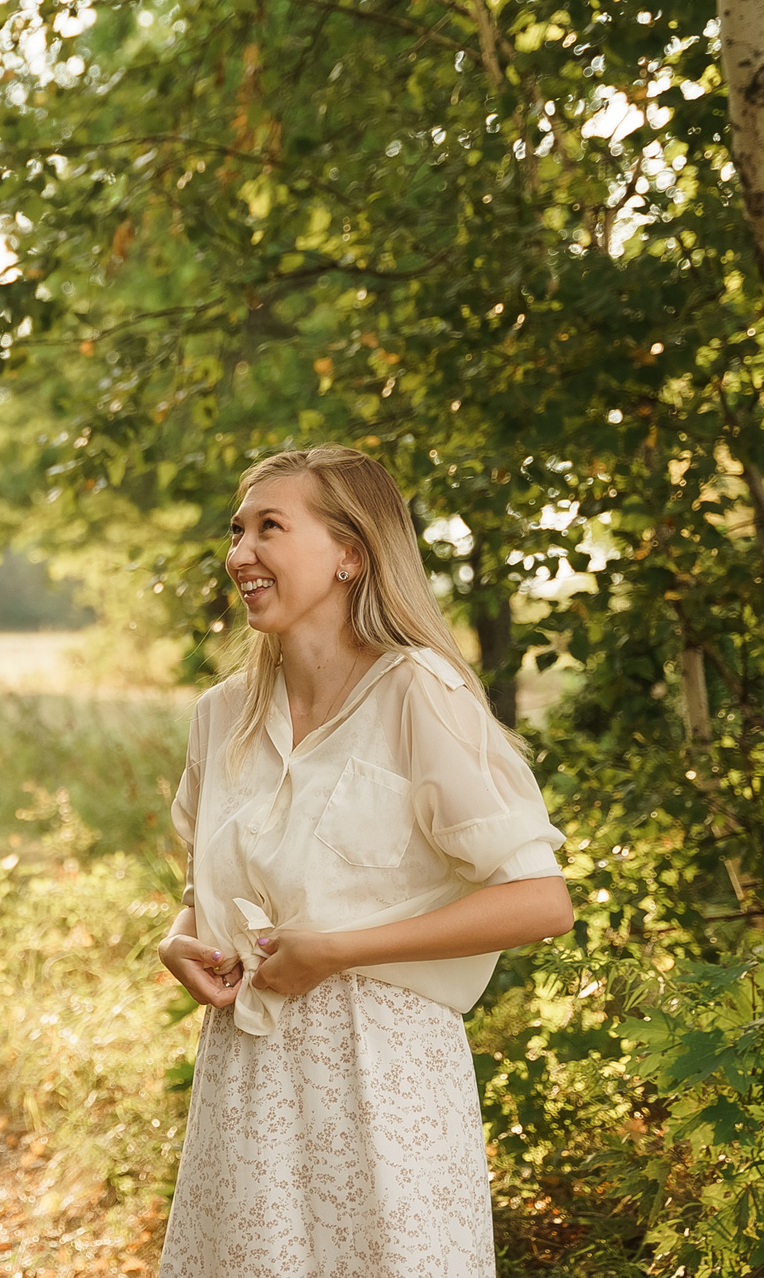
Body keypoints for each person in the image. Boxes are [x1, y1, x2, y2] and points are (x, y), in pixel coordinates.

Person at [154, 445, 575, 1278]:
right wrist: (180, 938)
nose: (239, 553)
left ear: (351, 552)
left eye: (270, 527)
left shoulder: (419, 692)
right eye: (237, 530)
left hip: (388, 1082)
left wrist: (340, 950)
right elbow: (207, 891)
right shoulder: (222, 714)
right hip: (247, 1080)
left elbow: (540, 900)